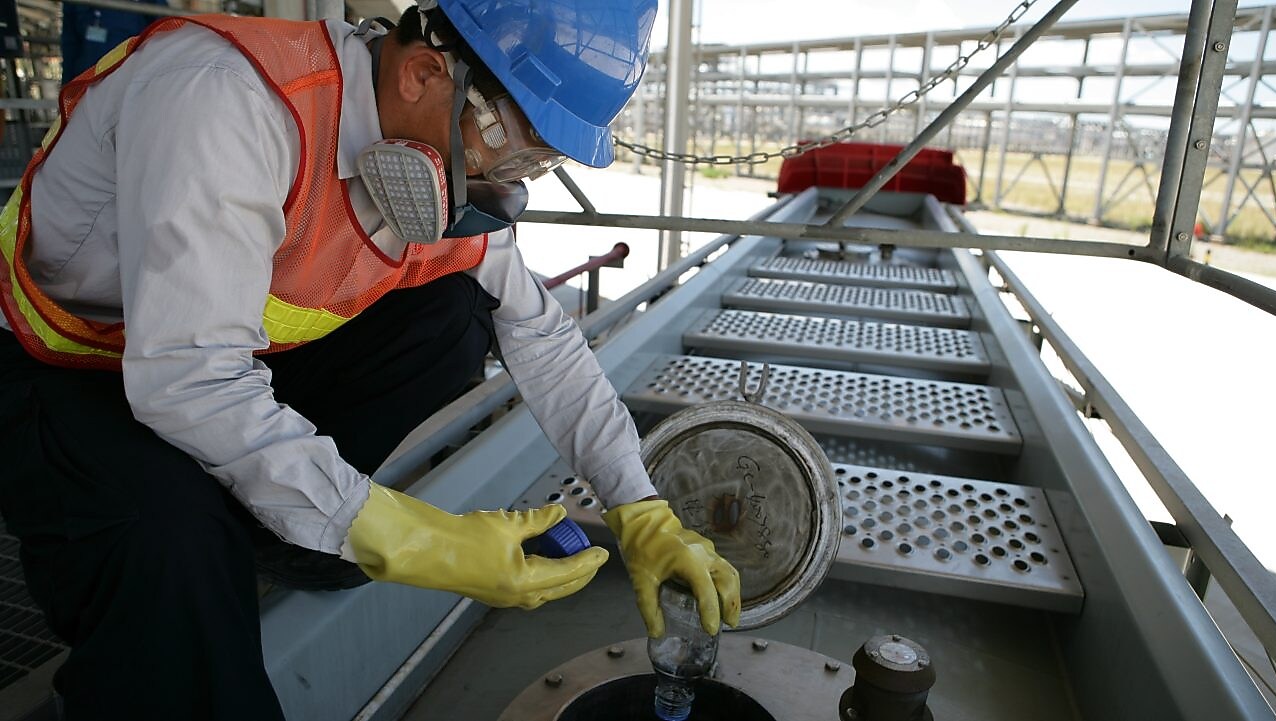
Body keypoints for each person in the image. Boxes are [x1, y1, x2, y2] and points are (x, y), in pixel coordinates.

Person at [0, 1, 740, 718]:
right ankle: (239, 542)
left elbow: (541, 338)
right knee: (165, 531)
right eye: (509, 151)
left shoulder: (436, 159)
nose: (506, 182)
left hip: (226, 359)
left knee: (454, 310)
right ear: (423, 73)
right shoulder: (229, 101)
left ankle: (290, 532)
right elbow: (189, 379)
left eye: (535, 166)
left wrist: (638, 505)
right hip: (67, 364)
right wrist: (409, 536)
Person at [60, 0, 169, 83]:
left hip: (127, 79)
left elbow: (163, 27)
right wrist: (66, 86)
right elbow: (69, 45)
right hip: (87, 80)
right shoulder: (76, 5)